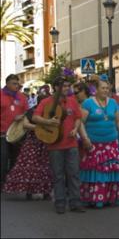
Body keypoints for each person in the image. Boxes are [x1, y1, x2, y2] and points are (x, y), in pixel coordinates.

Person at [32, 76, 85, 214]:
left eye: (68, 86)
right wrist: (48, 122)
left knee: (74, 174)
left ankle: (75, 203)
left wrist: (75, 129)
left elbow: (78, 118)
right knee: (58, 175)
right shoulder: (46, 102)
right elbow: (35, 117)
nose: (67, 89)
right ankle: (60, 203)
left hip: (71, 144)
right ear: (56, 87)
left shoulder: (72, 101)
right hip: (55, 144)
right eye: (65, 86)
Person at [78, 78, 119, 208]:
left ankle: (109, 197)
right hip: (94, 144)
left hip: (111, 143)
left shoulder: (112, 103)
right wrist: (85, 138)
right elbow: (80, 123)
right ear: (96, 89)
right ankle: (95, 199)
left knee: (111, 170)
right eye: (103, 88)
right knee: (96, 171)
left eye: (107, 88)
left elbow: (118, 121)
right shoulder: (88, 103)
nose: (105, 90)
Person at [2, 87, 53, 200]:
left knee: (45, 168)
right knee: (29, 167)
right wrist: (40, 127)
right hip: (33, 143)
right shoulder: (32, 111)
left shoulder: (51, 111)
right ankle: (29, 191)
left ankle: (46, 192)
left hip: (45, 142)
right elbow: (25, 124)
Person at [1, 74, 29, 186]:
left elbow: (26, 113)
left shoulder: (22, 97)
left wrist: (22, 116)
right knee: (3, 158)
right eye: (14, 83)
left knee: (16, 158)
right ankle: (2, 181)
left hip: (18, 134)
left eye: (18, 84)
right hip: (2, 133)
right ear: (7, 84)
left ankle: (11, 181)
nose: (17, 86)